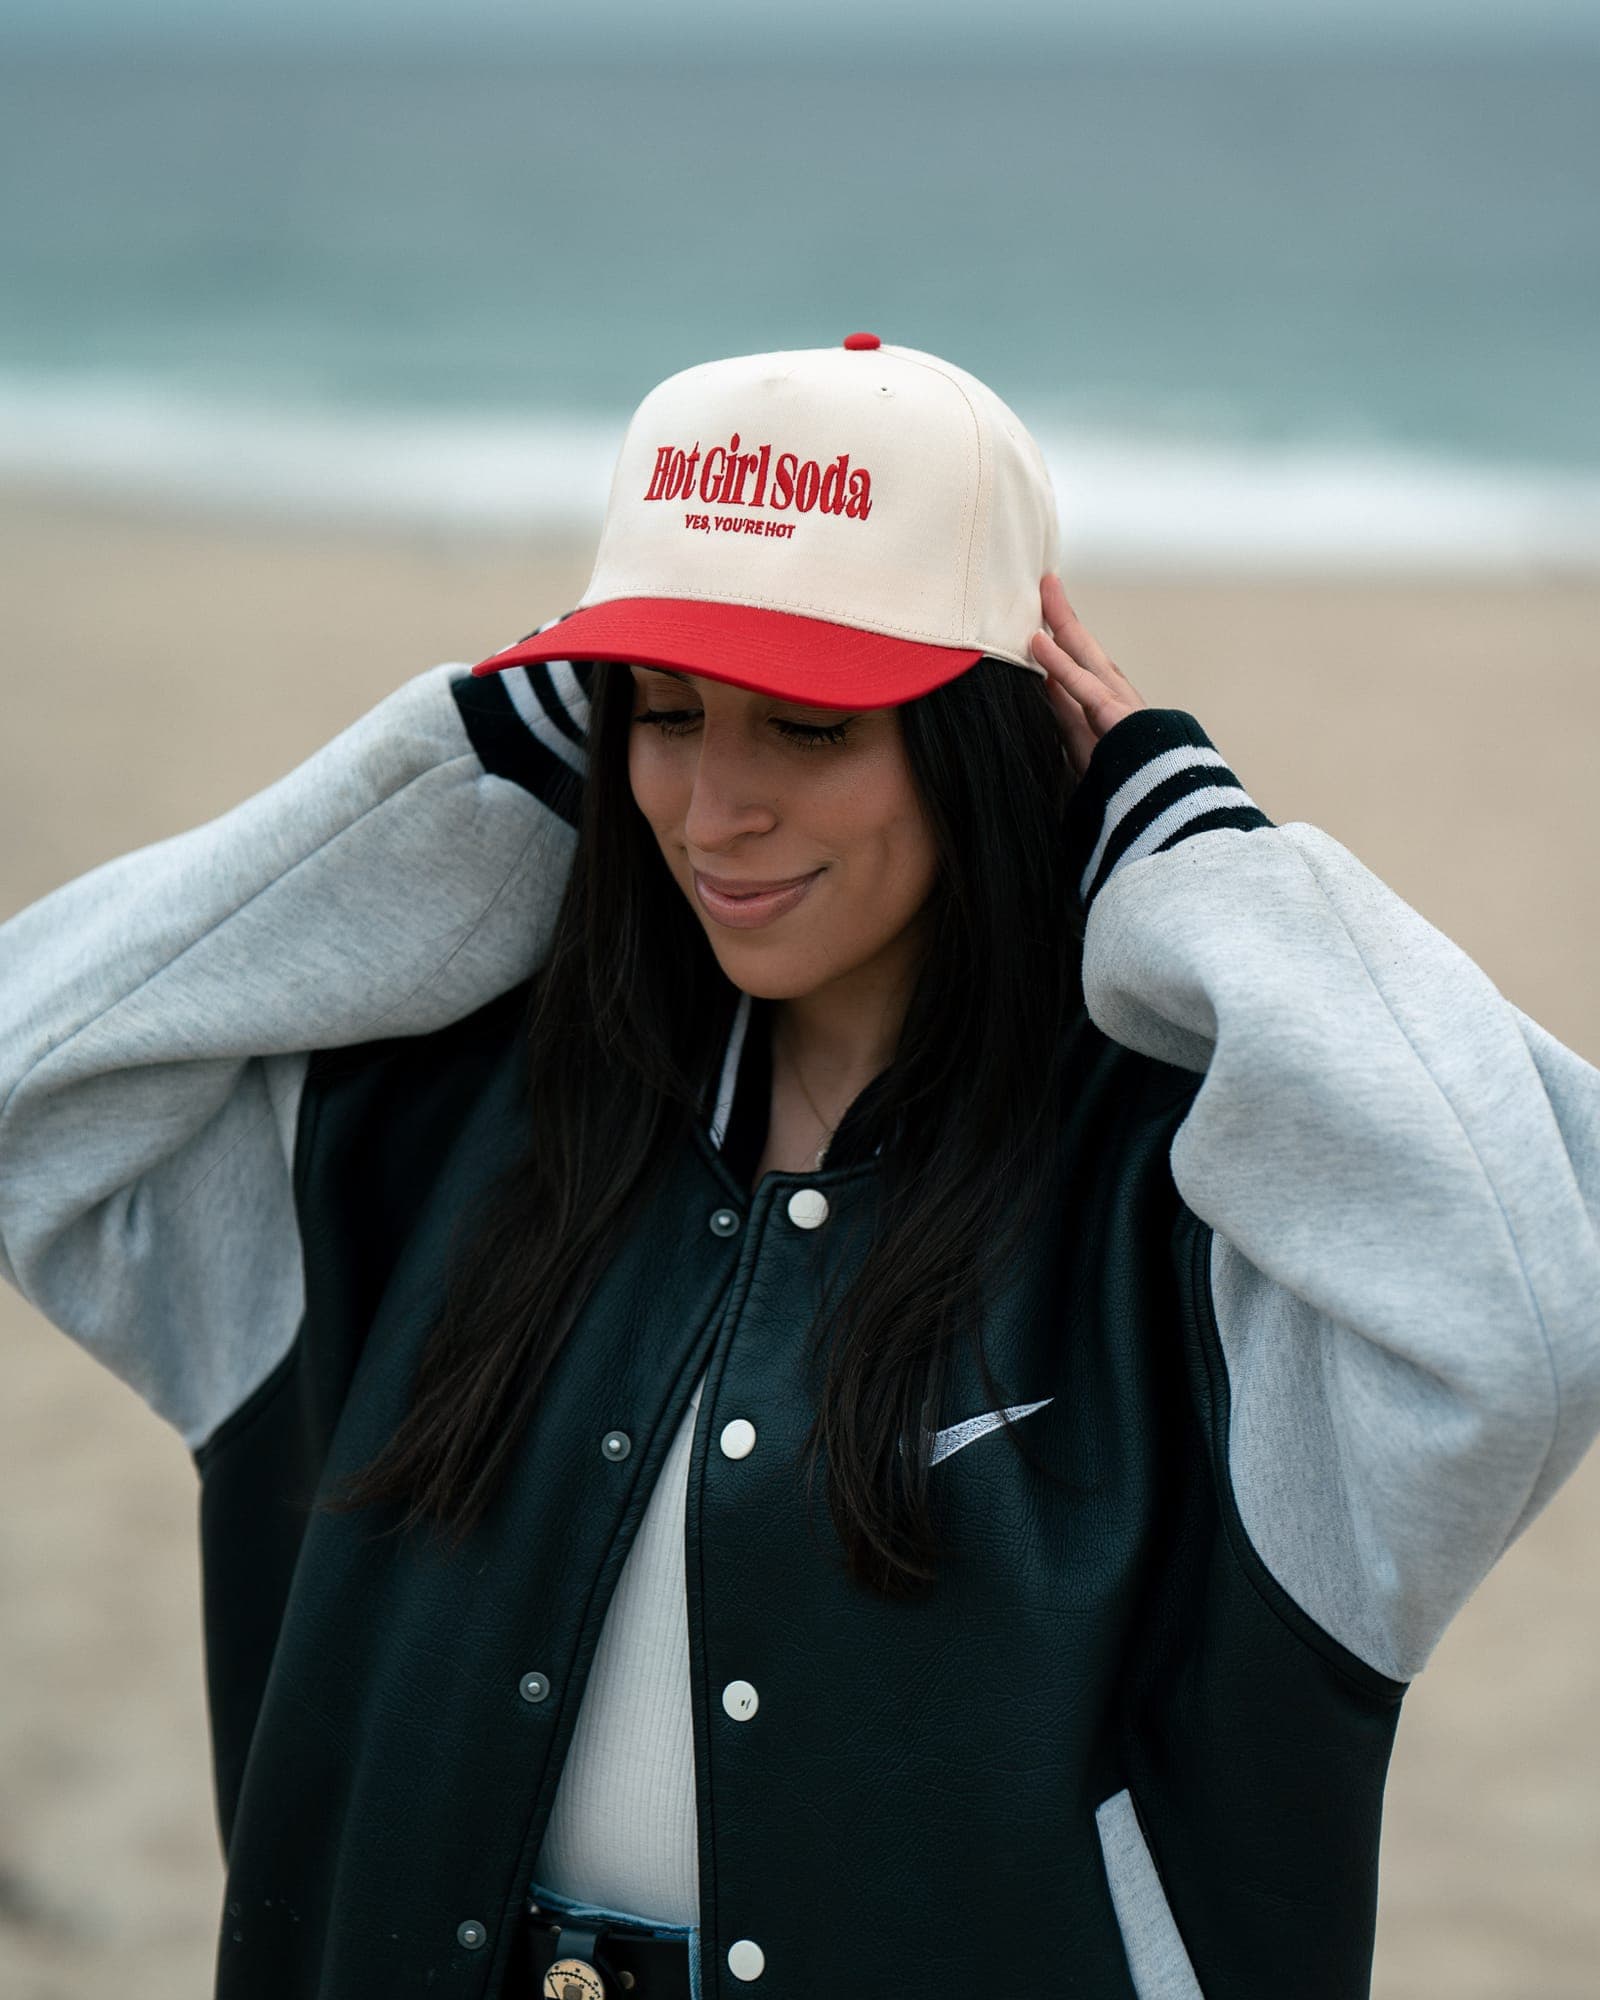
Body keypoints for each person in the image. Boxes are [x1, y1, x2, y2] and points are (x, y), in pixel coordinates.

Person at [1, 333, 1597, 2000]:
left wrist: (1184, 844)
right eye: (665, 715)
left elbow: (1532, 1302)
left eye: (811, 725)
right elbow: (35, 1080)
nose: (714, 812)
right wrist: (467, 771)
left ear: (990, 740)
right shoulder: (425, 1139)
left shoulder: (1188, 1229)